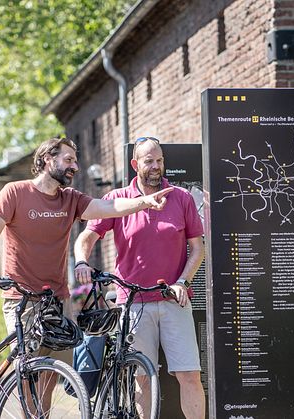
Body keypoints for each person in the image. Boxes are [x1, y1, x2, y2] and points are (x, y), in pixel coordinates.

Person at [0, 137, 173, 408]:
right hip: (21, 298)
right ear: (47, 160)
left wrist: (144, 202)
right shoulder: (14, 192)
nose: (74, 166)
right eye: (68, 160)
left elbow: (109, 208)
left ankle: (41, 414)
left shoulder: (71, 199)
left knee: (51, 372)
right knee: (28, 369)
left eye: (75, 161)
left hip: (56, 298)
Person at [74, 136, 206, 419]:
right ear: (135, 164)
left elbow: (198, 248)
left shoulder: (180, 198)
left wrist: (182, 281)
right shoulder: (117, 200)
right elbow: (87, 236)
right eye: (149, 161)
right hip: (133, 303)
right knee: (141, 377)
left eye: (160, 161)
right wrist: (81, 261)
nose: (156, 167)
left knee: (190, 374)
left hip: (174, 301)